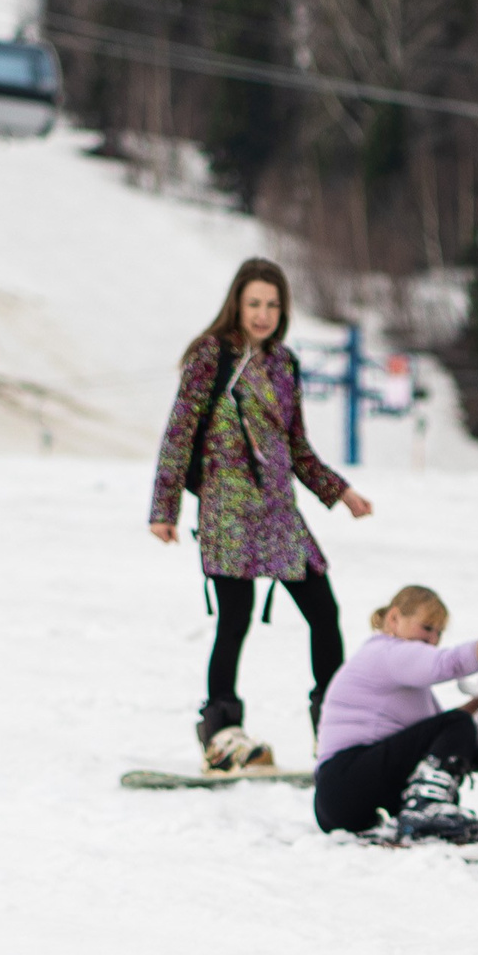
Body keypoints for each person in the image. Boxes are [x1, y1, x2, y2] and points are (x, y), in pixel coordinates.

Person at [149, 258, 373, 768]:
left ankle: (335, 726)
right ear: (237, 303)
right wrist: (164, 509)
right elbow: (179, 435)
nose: (263, 313)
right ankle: (222, 735)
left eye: (272, 305)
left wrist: (340, 492)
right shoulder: (212, 356)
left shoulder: (284, 363)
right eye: (254, 303)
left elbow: (296, 448)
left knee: (324, 612)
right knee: (234, 619)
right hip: (227, 511)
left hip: (278, 515)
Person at [313, 585, 478, 838]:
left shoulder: (400, 672)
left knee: (459, 725)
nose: (432, 639)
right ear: (394, 618)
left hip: (343, 798)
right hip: (344, 783)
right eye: (426, 627)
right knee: (458, 723)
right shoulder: (384, 652)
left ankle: (426, 809)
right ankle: (427, 809)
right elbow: (450, 664)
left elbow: (446, 731)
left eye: (439, 632)